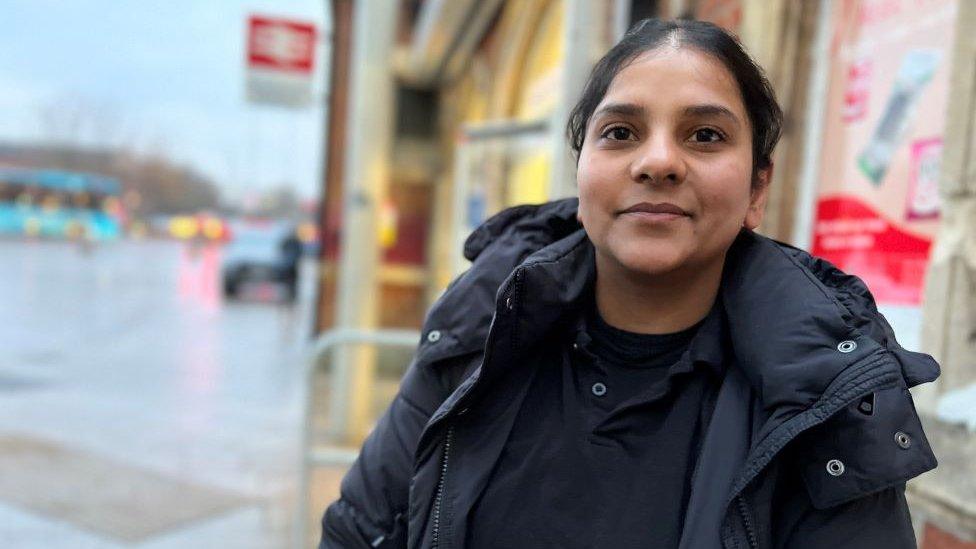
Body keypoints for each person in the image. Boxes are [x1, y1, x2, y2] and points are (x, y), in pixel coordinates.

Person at [320, 18, 940, 549]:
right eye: (620, 133)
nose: (659, 161)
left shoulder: (826, 400)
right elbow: (357, 531)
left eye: (706, 135)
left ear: (757, 188)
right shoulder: (479, 334)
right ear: (583, 170)